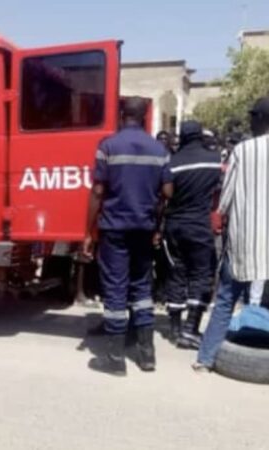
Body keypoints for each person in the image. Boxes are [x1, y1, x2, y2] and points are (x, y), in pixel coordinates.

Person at [194, 97, 269, 386]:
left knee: (226, 298)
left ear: (260, 118)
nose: (249, 122)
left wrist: (225, 213)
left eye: (252, 117)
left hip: (246, 241)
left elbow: (225, 200)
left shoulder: (243, 150)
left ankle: (205, 359)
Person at [83, 97, 173, 375]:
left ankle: (114, 358)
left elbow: (98, 192)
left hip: (114, 228)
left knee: (115, 288)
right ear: (145, 116)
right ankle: (147, 355)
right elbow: (167, 193)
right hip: (143, 229)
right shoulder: (160, 149)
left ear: (122, 115)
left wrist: (88, 231)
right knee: (142, 288)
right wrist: (156, 225)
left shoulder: (108, 146)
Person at [162, 121, 222, 348]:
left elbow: (165, 193)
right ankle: (191, 328)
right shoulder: (214, 161)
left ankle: (175, 329)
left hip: (175, 225)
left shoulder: (172, 162)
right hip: (199, 226)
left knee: (176, 273)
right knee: (200, 275)